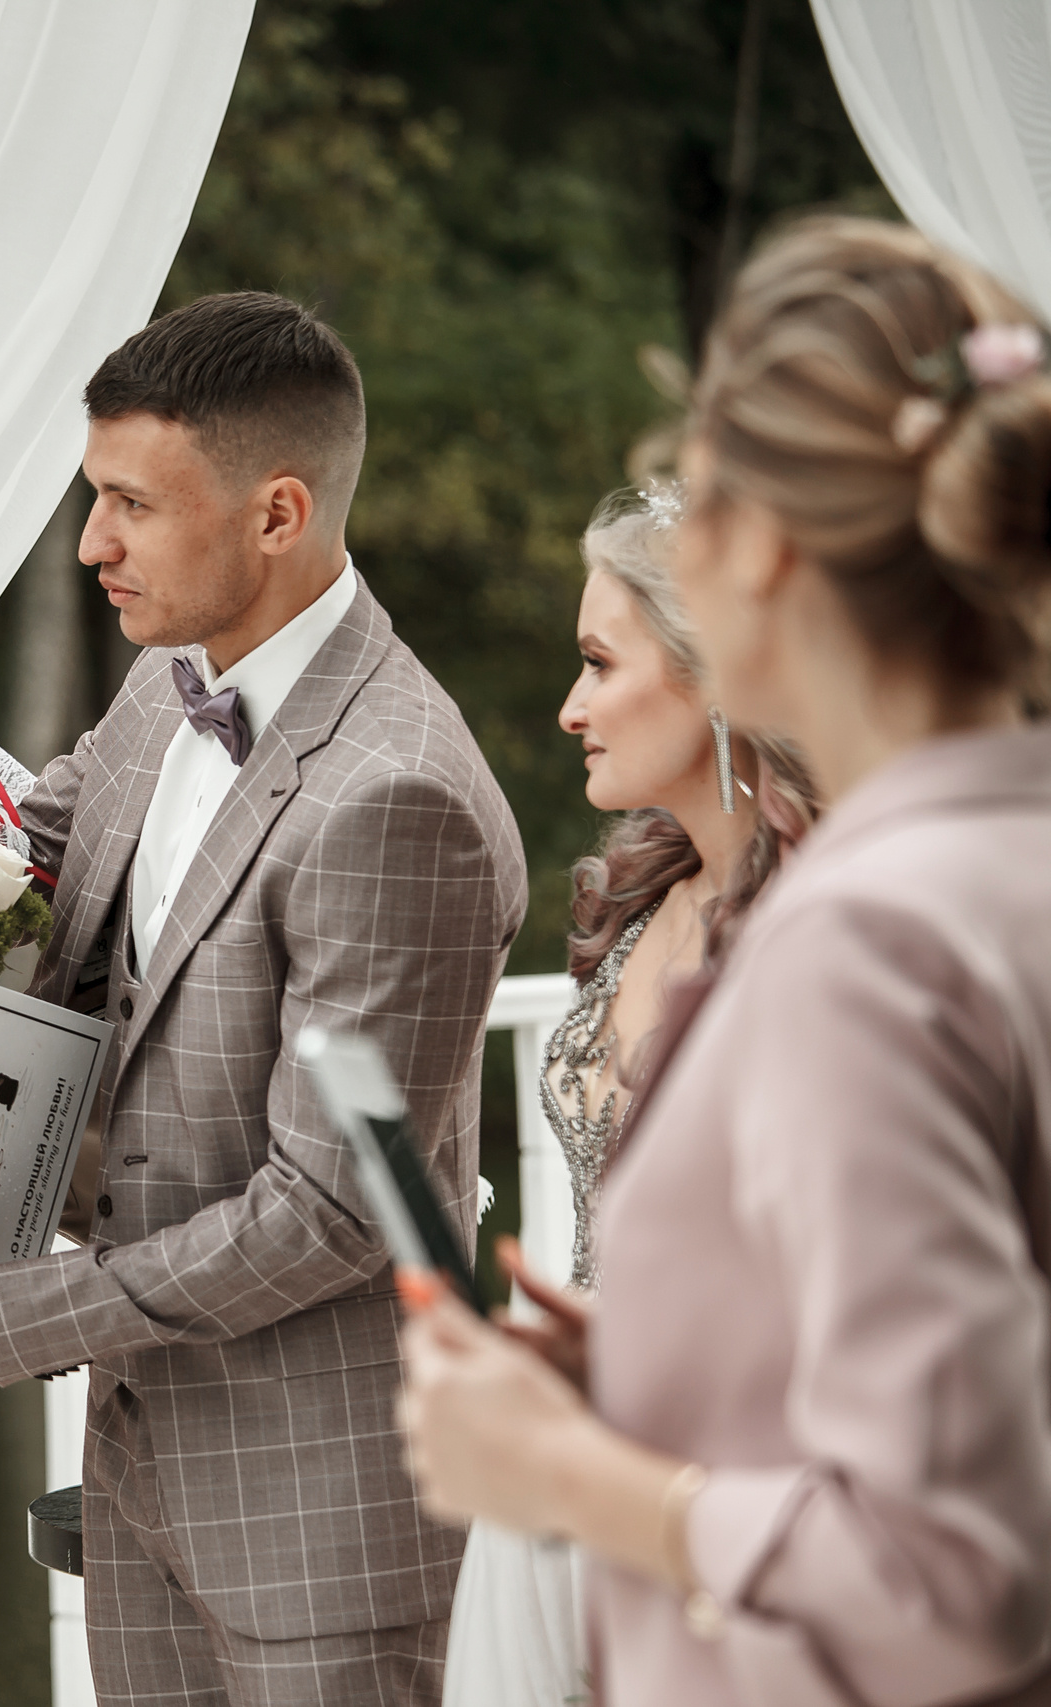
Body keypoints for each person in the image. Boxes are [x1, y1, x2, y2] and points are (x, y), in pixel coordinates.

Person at [0, 291, 528, 1706]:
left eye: (131, 502)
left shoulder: (399, 794)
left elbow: (334, 1208)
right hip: (142, 1473)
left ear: (277, 512)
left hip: (324, 1501)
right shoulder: (170, 678)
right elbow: (41, 868)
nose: (91, 542)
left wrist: (12, 1307)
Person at [398, 217, 1051, 1706]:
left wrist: (569, 1474)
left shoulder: (862, 945)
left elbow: (953, 1572)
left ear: (759, 551)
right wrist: (660, 1374)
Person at [440, 487, 814, 1707]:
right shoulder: (644, 897)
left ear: (715, 675)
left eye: (600, 663)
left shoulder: (826, 932)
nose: (569, 707)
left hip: (731, 1457)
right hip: (578, 1430)